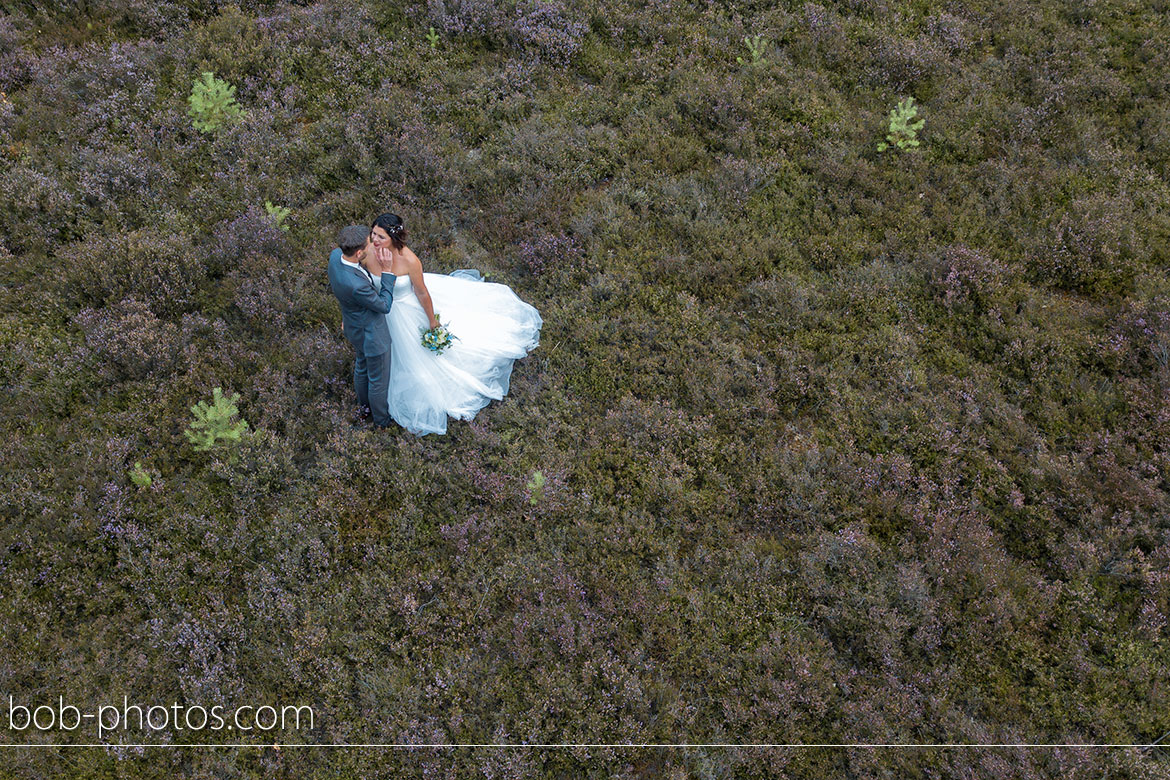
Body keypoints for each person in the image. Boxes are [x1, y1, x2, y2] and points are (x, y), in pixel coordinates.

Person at [367, 212, 542, 436]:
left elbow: (421, 292)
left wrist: (432, 321)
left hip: (406, 312)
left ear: (394, 238)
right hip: (381, 312)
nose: (375, 240)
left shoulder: (409, 260)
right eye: (373, 234)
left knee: (416, 359)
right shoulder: (367, 253)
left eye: (380, 236)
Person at [327, 225, 396, 428]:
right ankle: (381, 421)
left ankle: (364, 410)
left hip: (353, 327)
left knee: (361, 366)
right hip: (372, 335)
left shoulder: (335, 256)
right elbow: (384, 306)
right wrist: (387, 273)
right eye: (368, 244)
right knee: (378, 381)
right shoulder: (356, 286)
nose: (372, 245)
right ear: (358, 253)